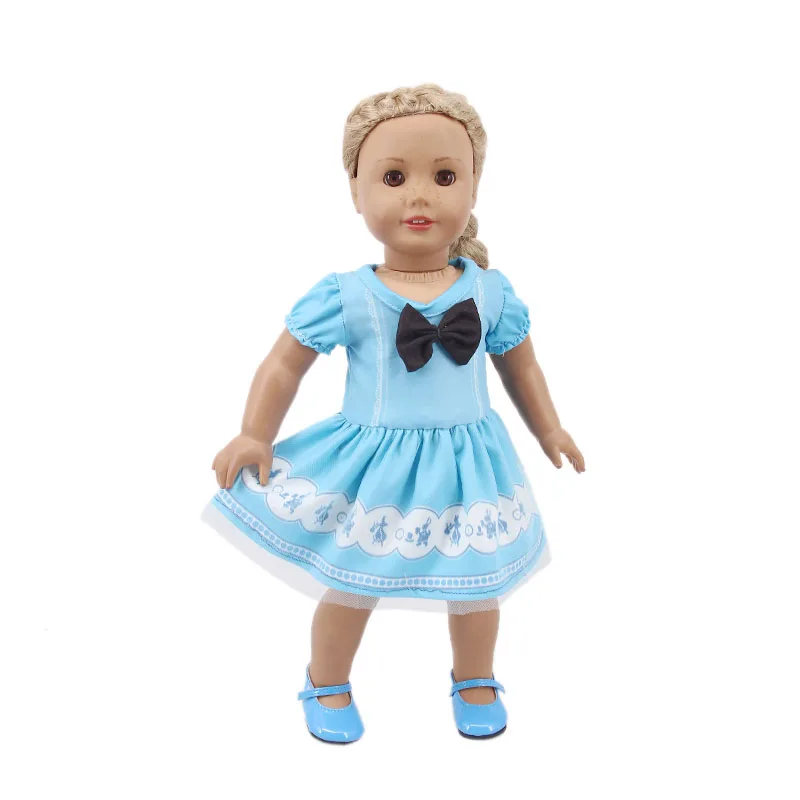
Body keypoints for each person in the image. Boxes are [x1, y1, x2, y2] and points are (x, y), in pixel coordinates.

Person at [202, 83, 585, 743]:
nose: (419, 196)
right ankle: (327, 679)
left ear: (474, 188)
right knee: (353, 580)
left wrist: (549, 427)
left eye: (444, 177)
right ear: (356, 191)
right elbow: (285, 365)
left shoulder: (490, 293)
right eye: (393, 177)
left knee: (477, 584)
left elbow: (522, 367)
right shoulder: (348, 295)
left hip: (469, 464)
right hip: (376, 466)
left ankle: (474, 676)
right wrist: (253, 433)